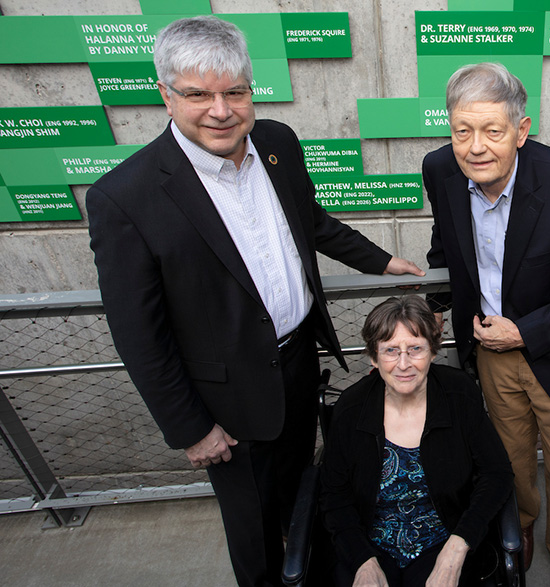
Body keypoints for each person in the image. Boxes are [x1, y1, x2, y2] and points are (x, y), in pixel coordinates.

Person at [86, 16, 424, 587]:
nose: (221, 110)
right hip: (229, 406)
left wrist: (382, 261)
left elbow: (308, 220)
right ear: (166, 95)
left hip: (298, 367)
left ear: (250, 90)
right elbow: (140, 335)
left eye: (234, 92)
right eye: (198, 94)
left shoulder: (276, 142)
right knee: (255, 529)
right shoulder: (124, 198)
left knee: (304, 491)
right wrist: (191, 428)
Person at [422, 62, 550, 587]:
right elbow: (446, 247)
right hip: (489, 354)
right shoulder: (440, 169)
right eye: (462, 131)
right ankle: (522, 526)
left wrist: (526, 331)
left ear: (522, 130)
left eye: (493, 131)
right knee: (509, 461)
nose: (475, 147)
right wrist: (440, 302)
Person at [321, 296, 513, 586]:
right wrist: (363, 561)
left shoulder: (459, 394)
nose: (403, 364)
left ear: (433, 351)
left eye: (415, 349)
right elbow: (334, 495)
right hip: (372, 546)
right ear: (374, 357)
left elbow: (496, 474)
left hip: (444, 540)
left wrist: (457, 549)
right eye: (390, 351)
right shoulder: (351, 408)